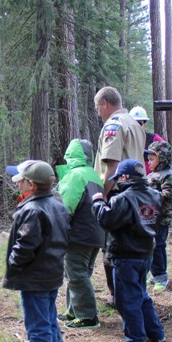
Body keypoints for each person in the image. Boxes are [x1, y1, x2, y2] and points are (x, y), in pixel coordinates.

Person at [4, 160, 69, 342]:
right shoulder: (57, 204)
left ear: (31, 184)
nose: (18, 185)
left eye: (21, 181)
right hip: (51, 272)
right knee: (48, 317)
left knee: (37, 325)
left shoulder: (32, 210)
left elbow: (25, 246)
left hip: (35, 277)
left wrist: (13, 264)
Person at [92, 159, 164, 342]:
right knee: (141, 294)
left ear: (124, 177)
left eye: (118, 178)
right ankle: (156, 332)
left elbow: (107, 220)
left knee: (127, 299)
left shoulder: (122, 199)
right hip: (145, 252)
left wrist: (98, 202)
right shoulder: (155, 196)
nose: (116, 182)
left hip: (125, 255)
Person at [94, 86, 145, 302]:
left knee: (112, 249)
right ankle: (135, 292)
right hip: (137, 194)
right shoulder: (134, 123)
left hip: (118, 194)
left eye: (98, 107)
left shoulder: (113, 125)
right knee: (134, 247)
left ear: (105, 103)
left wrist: (103, 195)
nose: (98, 112)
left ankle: (118, 296)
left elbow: (112, 167)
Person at [56, 139, 105, 329]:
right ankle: (73, 311)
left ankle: (87, 317)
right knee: (79, 274)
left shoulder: (75, 175)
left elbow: (66, 207)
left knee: (76, 275)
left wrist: (57, 229)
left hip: (79, 234)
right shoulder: (93, 173)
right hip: (96, 233)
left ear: (71, 154)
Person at [145, 141, 172, 293]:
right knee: (150, 246)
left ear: (162, 159)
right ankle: (153, 273)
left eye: (152, 159)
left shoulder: (169, 177)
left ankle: (161, 276)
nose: (149, 162)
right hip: (149, 218)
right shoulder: (151, 175)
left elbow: (167, 196)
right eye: (149, 159)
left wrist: (148, 193)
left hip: (161, 219)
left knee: (158, 246)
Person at [129, 106, 165, 174]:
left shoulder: (153, 138)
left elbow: (169, 153)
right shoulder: (126, 139)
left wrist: (157, 170)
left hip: (150, 179)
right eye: (133, 123)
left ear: (144, 123)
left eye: (139, 123)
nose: (136, 126)